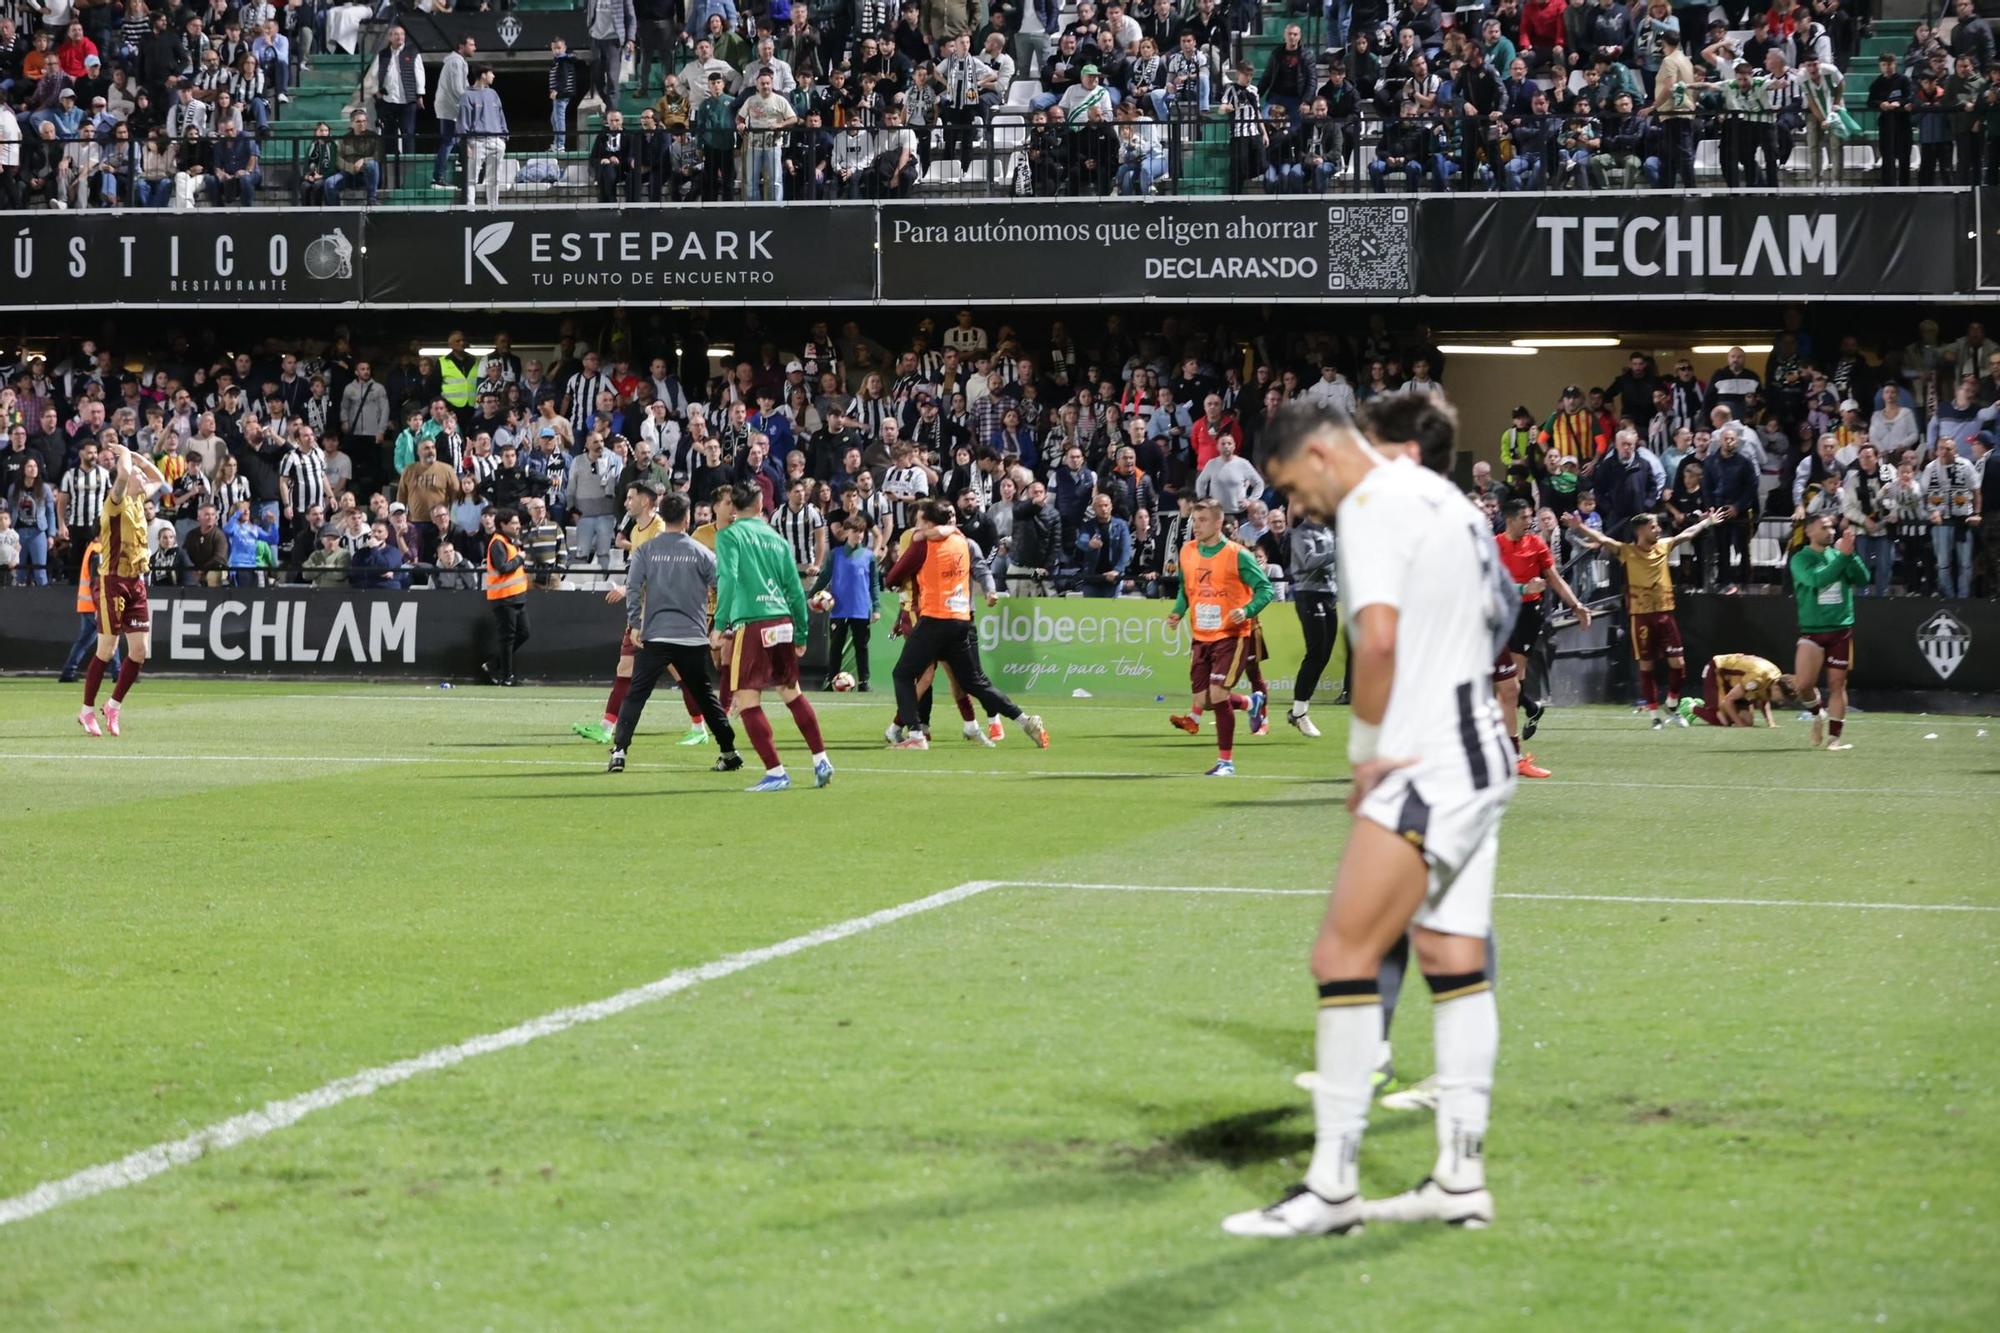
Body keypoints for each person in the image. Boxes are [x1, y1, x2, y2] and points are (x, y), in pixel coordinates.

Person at [1222, 401, 1515, 1239]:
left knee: (1342, 952)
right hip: (1479, 749)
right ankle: (1459, 1177)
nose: (1296, 508)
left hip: (1427, 759)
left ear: (1319, 453)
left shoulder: (1372, 505)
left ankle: (1333, 1188)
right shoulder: (1440, 496)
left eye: (1289, 487)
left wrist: (1365, 754)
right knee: (1451, 954)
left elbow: (1376, 643)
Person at [883, 500, 1048, 752]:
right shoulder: (961, 539)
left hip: (934, 619)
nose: (916, 526)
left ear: (928, 522)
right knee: (975, 682)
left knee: (903, 674)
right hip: (961, 621)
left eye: (919, 521)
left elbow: (892, 577)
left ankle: (916, 734)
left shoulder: (922, 544)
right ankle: (1025, 720)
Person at [606, 491, 743, 776]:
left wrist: (634, 624)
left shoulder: (646, 550)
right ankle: (729, 751)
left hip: (655, 636)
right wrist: (723, 622)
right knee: (706, 697)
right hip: (692, 637)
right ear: (687, 517)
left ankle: (619, 751)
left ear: (662, 515)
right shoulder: (701, 552)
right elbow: (725, 586)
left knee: (636, 695)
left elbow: (632, 589)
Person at [712, 483, 834, 792]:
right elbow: (795, 588)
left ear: (734, 508)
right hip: (782, 620)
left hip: (752, 622)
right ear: (761, 504)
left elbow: (728, 578)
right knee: (791, 692)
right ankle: (821, 758)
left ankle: (776, 771)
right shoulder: (777, 539)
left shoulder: (729, 535)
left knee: (745, 698)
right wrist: (802, 631)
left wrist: (719, 622)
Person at [574, 481, 710, 747]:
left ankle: (700, 727)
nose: (626, 502)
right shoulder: (637, 530)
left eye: (631, 497)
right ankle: (605, 727)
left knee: (681, 672)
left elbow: (660, 573)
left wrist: (627, 589)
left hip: (661, 615)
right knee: (624, 669)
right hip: (642, 615)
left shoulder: (660, 530)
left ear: (646, 502)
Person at [1561, 507, 1723, 728]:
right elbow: (1602, 538)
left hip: (1665, 615)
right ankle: (1655, 716)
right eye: (1653, 526)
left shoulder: (1664, 546)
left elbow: (1687, 534)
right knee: (1646, 667)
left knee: (1679, 664)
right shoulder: (1626, 551)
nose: (1658, 530)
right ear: (1640, 531)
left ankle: (1673, 705)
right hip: (1641, 617)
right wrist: (1580, 527)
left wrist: (1707, 522)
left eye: (1657, 526)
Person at [1164, 498, 1275, 777]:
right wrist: (1178, 612)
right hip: (1201, 636)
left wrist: (1247, 610)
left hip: (1232, 635)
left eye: (1202, 521)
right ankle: (1252, 703)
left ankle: (1226, 762)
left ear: (1217, 523)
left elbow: (1265, 589)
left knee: (1217, 694)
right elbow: (1183, 588)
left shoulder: (1238, 554)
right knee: (1204, 701)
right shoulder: (1188, 551)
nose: (1195, 526)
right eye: (1193, 520)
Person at [1494, 497, 1591, 778]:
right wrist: (1524, 587)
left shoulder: (1536, 543)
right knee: (1504, 689)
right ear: (1511, 519)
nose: (1530, 522)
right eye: (1525, 517)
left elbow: (1554, 579)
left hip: (1526, 615)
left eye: (1531, 517)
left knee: (1509, 687)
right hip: (1496, 617)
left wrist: (1576, 605)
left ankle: (1510, 756)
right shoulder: (1492, 545)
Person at [78, 444, 166, 738]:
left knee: (140, 651)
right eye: (137, 475)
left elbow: (159, 477)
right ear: (128, 480)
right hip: (113, 581)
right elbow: (127, 470)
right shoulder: (115, 502)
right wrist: (126, 453)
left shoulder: (139, 500)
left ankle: (113, 705)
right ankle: (86, 710)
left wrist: (141, 460)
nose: (143, 478)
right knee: (107, 648)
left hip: (136, 581)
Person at [1789, 513, 1868, 752]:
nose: (1830, 530)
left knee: (1837, 685)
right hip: (1812, 630)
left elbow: (1863, 578)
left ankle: (1835, 739)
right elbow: (1816, 580)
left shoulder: (1840, 554)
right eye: (1824, 527)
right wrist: (1843, 557)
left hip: (1840, 629)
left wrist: (1850, 554)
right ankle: (1817, 713)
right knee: (1803, 685)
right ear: (1809, 531)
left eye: (1831, 526)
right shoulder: (1800, 559)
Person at [808, 515, 883, 690]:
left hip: (861, 608)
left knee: (861, 647)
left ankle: (864, 682)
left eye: (862, 532)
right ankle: (831, 680)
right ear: (847, 531)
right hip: (839, 609)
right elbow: (825, 577)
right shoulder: (836, 554)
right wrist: (812, 595)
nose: (859, 535)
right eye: (855, 531)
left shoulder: (869, 556)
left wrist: (876, 607)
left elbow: (874, 583)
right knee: (835, 647)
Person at [1285, 513, 1337, 737]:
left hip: (1328, 595)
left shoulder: (1330, 531)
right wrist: (1338, 553)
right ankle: (1299, 712)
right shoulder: (1301, 533)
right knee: (1315, 652)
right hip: (1308, 594)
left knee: (1324, 654)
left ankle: (1299, 711)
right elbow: (1307, 561)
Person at [483, 507, 531, 686]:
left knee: (524, 632)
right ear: (503, 525)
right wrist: (520, 558)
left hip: (517, 596)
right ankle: (507, 676)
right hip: (503, 598)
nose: (518, 526)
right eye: (514, 523)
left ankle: (493, 664)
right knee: (507, 638)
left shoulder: (509, 541)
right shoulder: (497, 543)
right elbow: (503, 567)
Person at [1686, 651, 1790, 728]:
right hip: (1717, 671)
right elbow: (1728, 700)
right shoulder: (1757, 679)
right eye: (1784, 696)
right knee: (1723, 721)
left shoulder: (1773, 677)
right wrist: (1740, 725)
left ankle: (1708, 706)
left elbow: (1763, 697)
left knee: (1747, 721)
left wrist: (1771, 723)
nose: (1782, 701)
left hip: (1735, 682)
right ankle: (1690, 707)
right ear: (1777, 688)